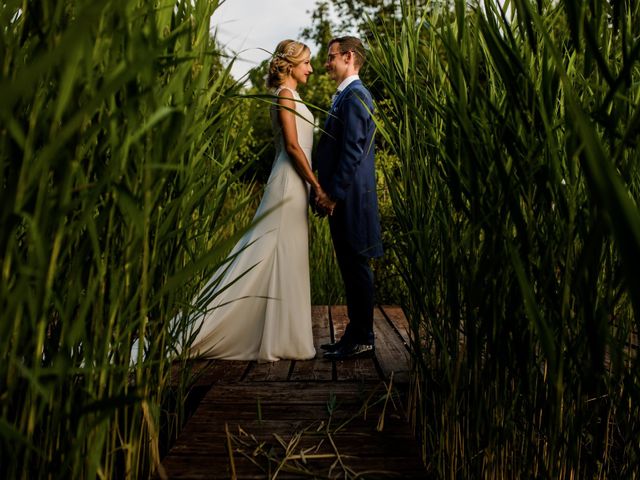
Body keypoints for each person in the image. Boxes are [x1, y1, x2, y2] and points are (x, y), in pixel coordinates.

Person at [183, 40, 329, 362]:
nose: (311, 68)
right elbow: (293, 147)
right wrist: (316, 185)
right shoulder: (286, 96)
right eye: (306, 62)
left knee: (285, 254)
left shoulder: (291, 95)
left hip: (294, 185)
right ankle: (248, 332)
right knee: (271, 252)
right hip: (288, 183)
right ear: (290, 65)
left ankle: (283, 335)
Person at [314, 36, 383, 360]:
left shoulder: (356, 97)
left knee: (357, 267)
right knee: (350, 267)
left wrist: (333, 195)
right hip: (344, 198)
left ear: (349, 56)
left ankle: (364, 337)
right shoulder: (345, 96)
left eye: (331, 57)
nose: (327, 63)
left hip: (351, 199)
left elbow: (353, 151)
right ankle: (353, 335)